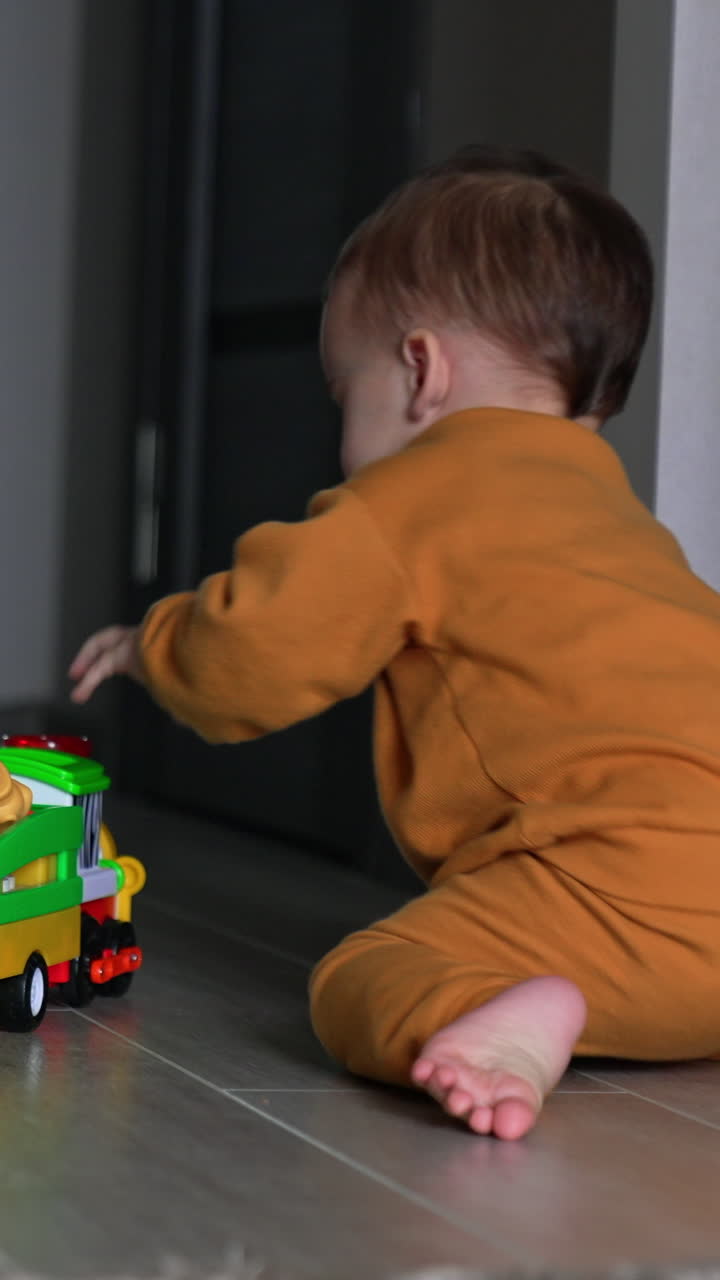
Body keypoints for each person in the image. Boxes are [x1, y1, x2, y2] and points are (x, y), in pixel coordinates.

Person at [69, 146, 720, 1142]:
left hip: (614, 896)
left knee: (360, 975)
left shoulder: (411, 497)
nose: (344, 427)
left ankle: (505, 1020)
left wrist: (157, 640)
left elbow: (255, 650)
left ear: (421, 370)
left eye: (345, 391)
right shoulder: (624, 520)